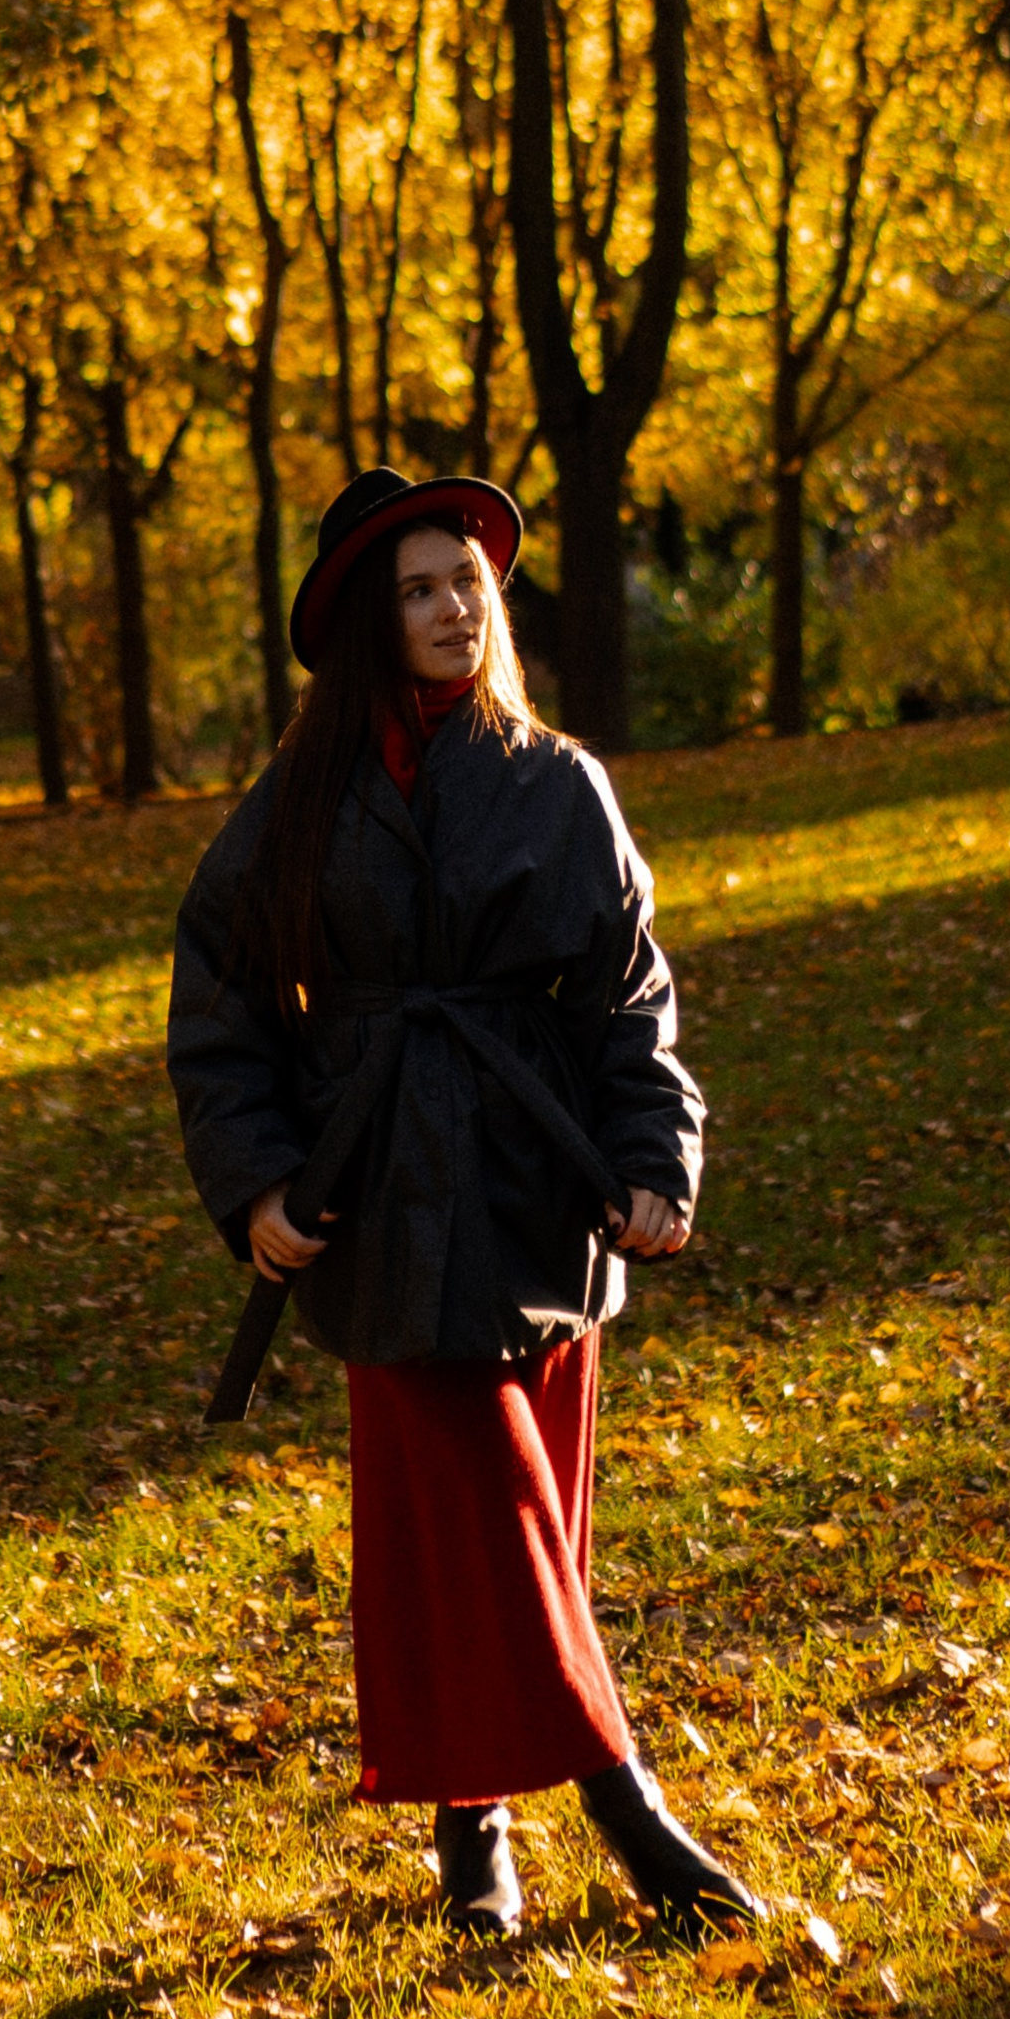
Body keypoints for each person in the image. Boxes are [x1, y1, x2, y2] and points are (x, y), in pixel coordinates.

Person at [167, 465, 761, 1942]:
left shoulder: (555, 782)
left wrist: (651, 1158)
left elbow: (629, 990)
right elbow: (222, 990)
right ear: (375, 621)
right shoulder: (301, 798)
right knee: (477, 1516)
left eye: (467, 583)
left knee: (517, 1531)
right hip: (374, 1198)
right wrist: (253, 1178)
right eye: (419, 589)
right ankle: (628, 1806)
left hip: (535, 1184)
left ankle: (468, 1836)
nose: (451, 607)